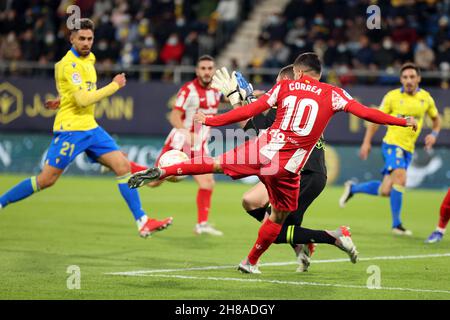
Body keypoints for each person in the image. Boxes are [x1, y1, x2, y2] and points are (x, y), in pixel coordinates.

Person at [129, 52, 417, 274]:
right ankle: (252, 260)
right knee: (273, 218)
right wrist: (401, 121)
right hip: (289, 166)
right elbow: (367, 113)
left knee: (215, 164)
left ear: (299, 72)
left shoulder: (286, 88)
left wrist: (214, 119)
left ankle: (164, 170)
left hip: (266, 151)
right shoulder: (334, 94)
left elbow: (252, 111)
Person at [0, 18, 173, 238]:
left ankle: (143, 221)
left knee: (122, 165)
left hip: (90, 128)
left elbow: (75, 94)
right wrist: (114, 85)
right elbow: (82, 100)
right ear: (71, 38)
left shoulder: (89, 58)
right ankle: (1, 202)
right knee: (46, 180)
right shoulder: (68, 65)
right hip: (71, 130)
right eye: (81, 38)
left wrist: (61, 100)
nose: (86, 43)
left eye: (90, 38)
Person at [238, 65, 328, 272]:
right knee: (250, 201)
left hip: (304, 173)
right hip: (289, 171)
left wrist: (247, 99)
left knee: (278, 229)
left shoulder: (285, 108)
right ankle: (300, 243)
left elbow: (256, 131)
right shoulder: (293, 105)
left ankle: (334, 237)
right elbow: (255, 131)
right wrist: (248, 100)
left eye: (278, 85)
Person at [339, 63, 441, 236]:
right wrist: (366, 142)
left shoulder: (426, 98)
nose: (409, 80)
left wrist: (434, 134)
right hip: (393, 144)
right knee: (400, 178)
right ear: (401, 79)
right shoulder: (392, 97)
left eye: (412, 77)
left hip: (408, 148)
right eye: (405, 77)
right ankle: (397, 225)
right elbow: (375, 119)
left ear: (419, 78)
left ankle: (353, 188)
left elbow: (436, 120)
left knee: (386, 190)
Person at [129, 55, 223, 236]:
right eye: (203, 68)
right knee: (154, 182)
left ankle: (202, 225)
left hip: (199, 144)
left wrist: (254, 95)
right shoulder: (188, 90)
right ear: (197, 71)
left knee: (208, 182)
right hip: (181, 141)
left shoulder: (217, 90)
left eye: (209, 68)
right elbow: (174, 116)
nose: (206, 72)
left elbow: (220, 102)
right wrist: (186, 133)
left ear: (214, 70)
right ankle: (122, 165)